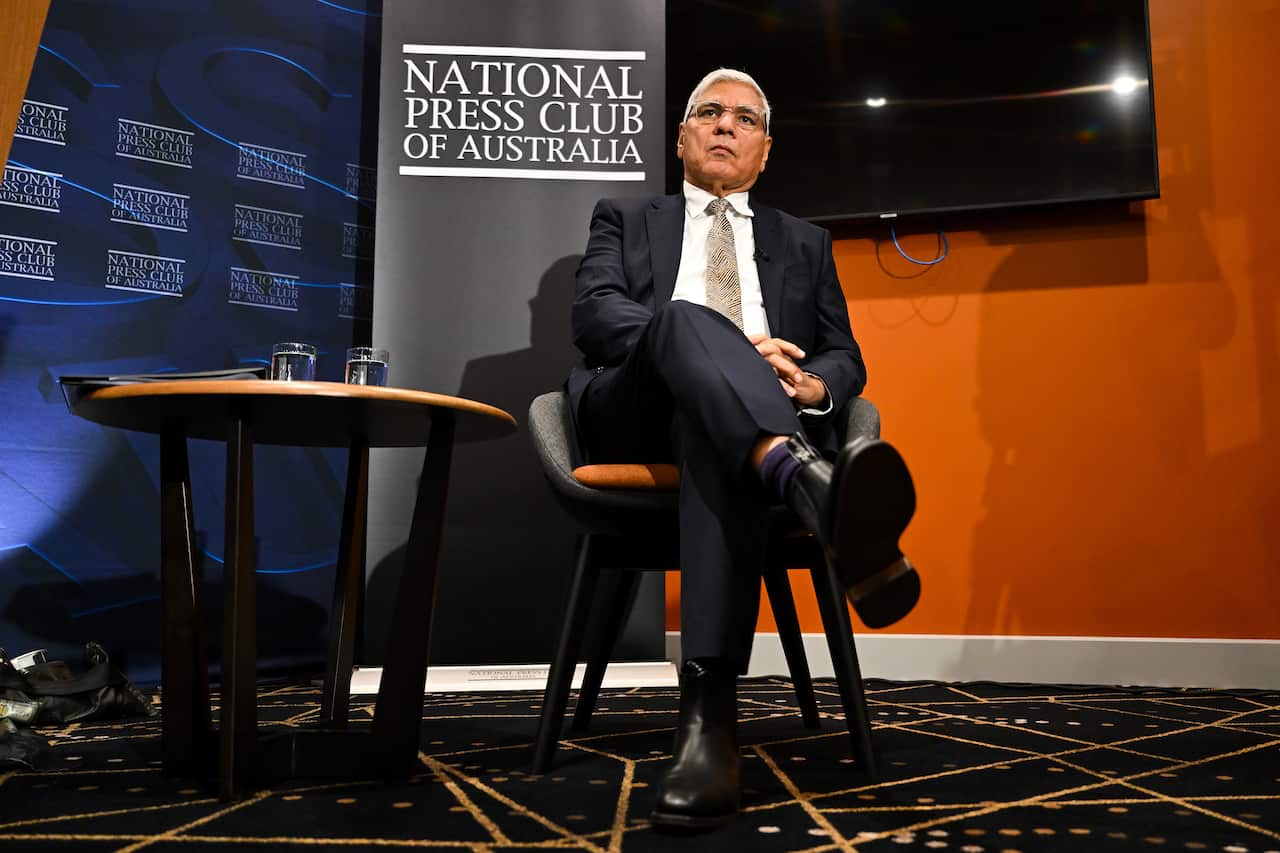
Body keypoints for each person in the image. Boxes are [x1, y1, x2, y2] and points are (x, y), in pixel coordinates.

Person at [566, 68, 921, 830]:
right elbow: (598, 315)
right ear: (681, 137)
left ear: (764, 150)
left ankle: (709, 721)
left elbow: (843, 354)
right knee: (684, 322)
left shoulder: (806, 242)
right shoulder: (624, 218)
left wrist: (806, 386)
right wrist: (713, 350)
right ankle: (811, 483)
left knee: (713, 430)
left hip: (741, 426)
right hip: (637, 404)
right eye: (709, 113)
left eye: (745, 119)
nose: (726, 126)